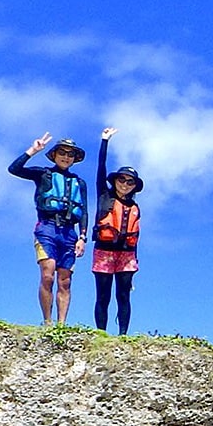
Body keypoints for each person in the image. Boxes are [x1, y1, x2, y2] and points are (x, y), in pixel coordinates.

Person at [8, 133, 89, 325]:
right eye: (62, 152)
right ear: (54, 155)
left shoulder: (79, 182)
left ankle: (61, 325)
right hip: (47, 228)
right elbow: (14, 169)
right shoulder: (43, 174)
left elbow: (84, 211)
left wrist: (83, 237)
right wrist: (32, 151)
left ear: (75, 159)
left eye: (71, 154)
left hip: (70, 232)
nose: (66, 157)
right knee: (47, 274)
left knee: (65, 281)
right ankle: (47, 321)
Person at [91, 127, 143, 335]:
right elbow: (100, 169)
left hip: (127, 255)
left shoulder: (135, 207)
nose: (125, 184)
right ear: (114, 181)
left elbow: (135, 238)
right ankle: (101, 333)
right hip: (103, 251)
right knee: (103, 295)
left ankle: (123, 334)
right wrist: (105, 141)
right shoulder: (104, 196)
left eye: (130, 182)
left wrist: (135, 262)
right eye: (121, 180)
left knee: (123, 295)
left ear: (134, 186)